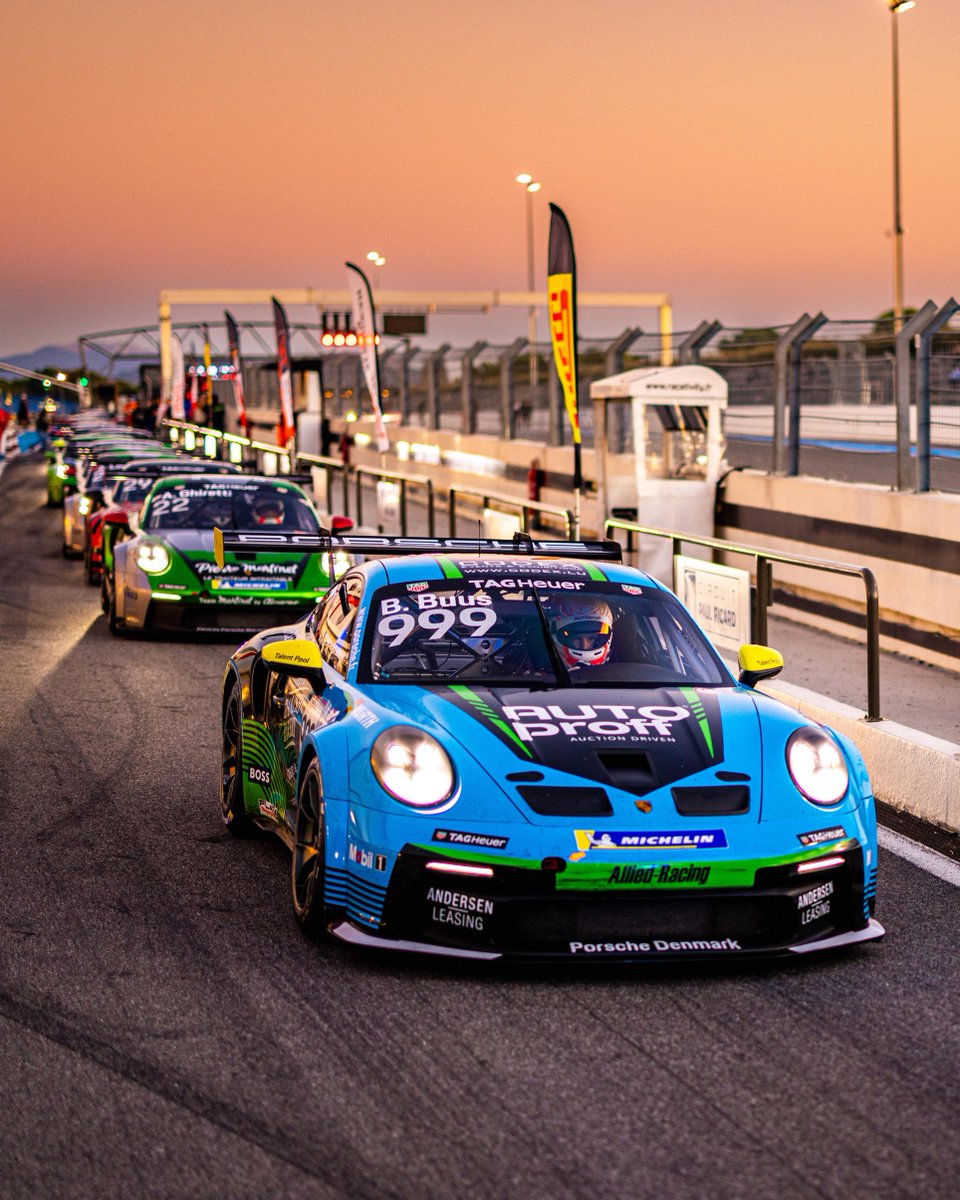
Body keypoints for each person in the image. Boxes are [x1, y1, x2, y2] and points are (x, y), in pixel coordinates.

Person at [546, 597, 614, 669]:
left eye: (591, 638)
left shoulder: (622, 666)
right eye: (576, 639)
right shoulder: (541, 675)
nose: (585, 646)